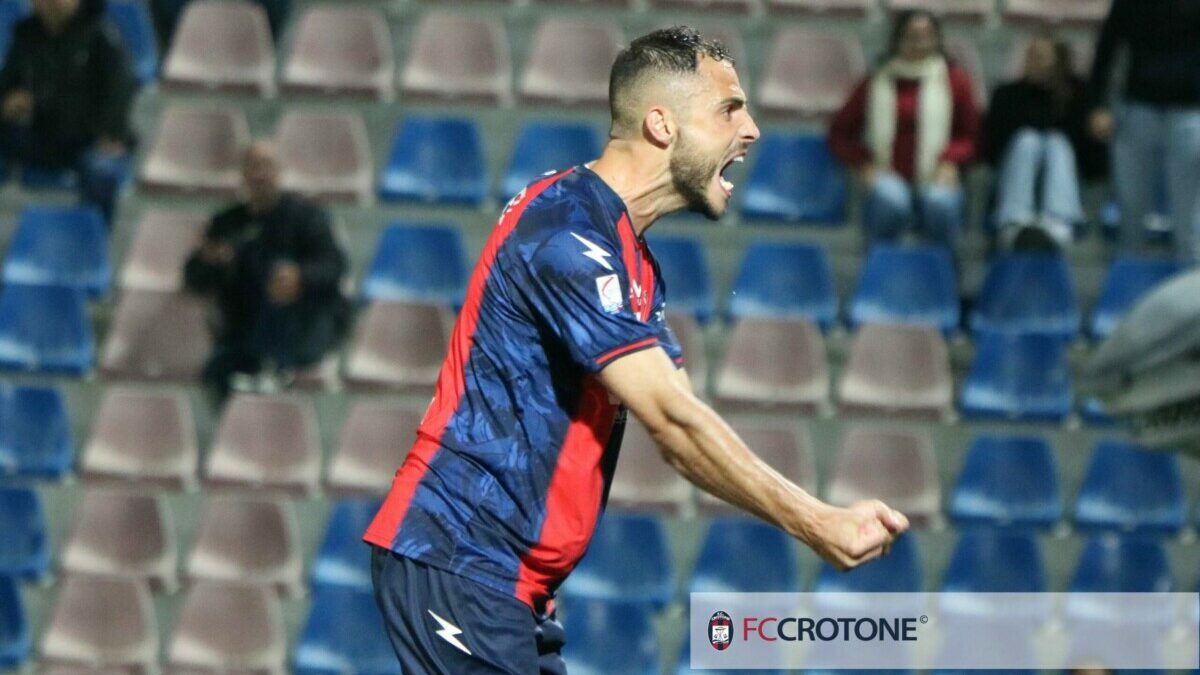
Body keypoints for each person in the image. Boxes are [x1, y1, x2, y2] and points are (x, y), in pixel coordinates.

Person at [363, 26, 910, 675]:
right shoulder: (565, 232)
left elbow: (683, 430)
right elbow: (675, 422)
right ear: (661, 124)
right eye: (729, 109)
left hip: (508, 587)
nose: (752, 129)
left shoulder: (632, 263)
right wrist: (816, 521)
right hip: (459, 557)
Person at [184, 141, 350, 401]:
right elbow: (194, 277)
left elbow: (333, 266)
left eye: (267, 166)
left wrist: (300, 277)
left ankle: (271, 368)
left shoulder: (307, 217)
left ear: (279, 172)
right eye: (254, 167)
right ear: (243, 174)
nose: (261, 174)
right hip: (244, 327)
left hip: (302, 326)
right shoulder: (227, 223)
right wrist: (211, 263)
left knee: (278, 276)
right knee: (218, 370)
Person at [828, 10, 981, 250]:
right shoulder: (876, 81)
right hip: (887, 175)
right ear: (897, 39)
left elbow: (973, 136)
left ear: (937, 40)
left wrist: (951, 160)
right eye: (912, 36)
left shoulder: (955, 81)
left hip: (937, 175)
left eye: (927, 36)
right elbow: (839, 133)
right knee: (890, 200)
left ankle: (942, 266)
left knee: (940, 203)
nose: (920, 43)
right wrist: (865, 163)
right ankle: (881, 264)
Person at [0, 0, 135, 223]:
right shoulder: (26, 34)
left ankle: (90, 238)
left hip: (89, 140)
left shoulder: (100, 34)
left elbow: (120, 88)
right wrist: (8, 104)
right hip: (41, 135)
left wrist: (110, 133)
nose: (49, 4)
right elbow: (7, 84)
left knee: (101, 170)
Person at [1087, 0, 1200, 262]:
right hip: (1138, 107)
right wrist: (1097, 104)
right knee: (1131, 211)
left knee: (1189, 219)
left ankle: (1192, 281)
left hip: (1189, 111)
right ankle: (1129, 279)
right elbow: (1107, 48)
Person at [982, 33, 1108, 252]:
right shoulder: (1006, 95)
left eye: (1041, 57)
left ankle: (1059, 222)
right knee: (1027, 140)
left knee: (1056, 143)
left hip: (1068, 180)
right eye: (1030, 56)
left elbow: (1091, 158)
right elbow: (993, 148)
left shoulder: (1079, 97)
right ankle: (1014, 221)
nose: (1033, 62)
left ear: (1059, 62)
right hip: (1013, 177)